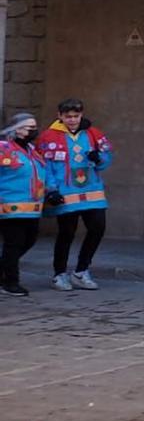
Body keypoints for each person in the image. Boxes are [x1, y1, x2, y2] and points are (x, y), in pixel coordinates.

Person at [38, 99, 110, 291]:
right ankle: (59, 274)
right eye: (68, 116)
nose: (72, 120)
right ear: (60, 116)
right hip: (66, 192)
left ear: (81, 114)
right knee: (66, 233)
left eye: (76, 116)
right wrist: (51, 190)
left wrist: (99, 159)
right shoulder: (48, 136)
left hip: (92, 190)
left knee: (98, 228)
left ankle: (81, 271)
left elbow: (106, 159)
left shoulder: (93, 133)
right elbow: (45, 166)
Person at [0, 112, 49, 298]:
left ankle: (3, 270)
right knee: (14, 244)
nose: (34, 130)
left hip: (32, 207)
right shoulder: (4, 148)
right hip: (9, 206)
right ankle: (11, 282)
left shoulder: (31, 150)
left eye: (35, 127)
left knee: (29, 240)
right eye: (30, 127)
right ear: (17, 129)